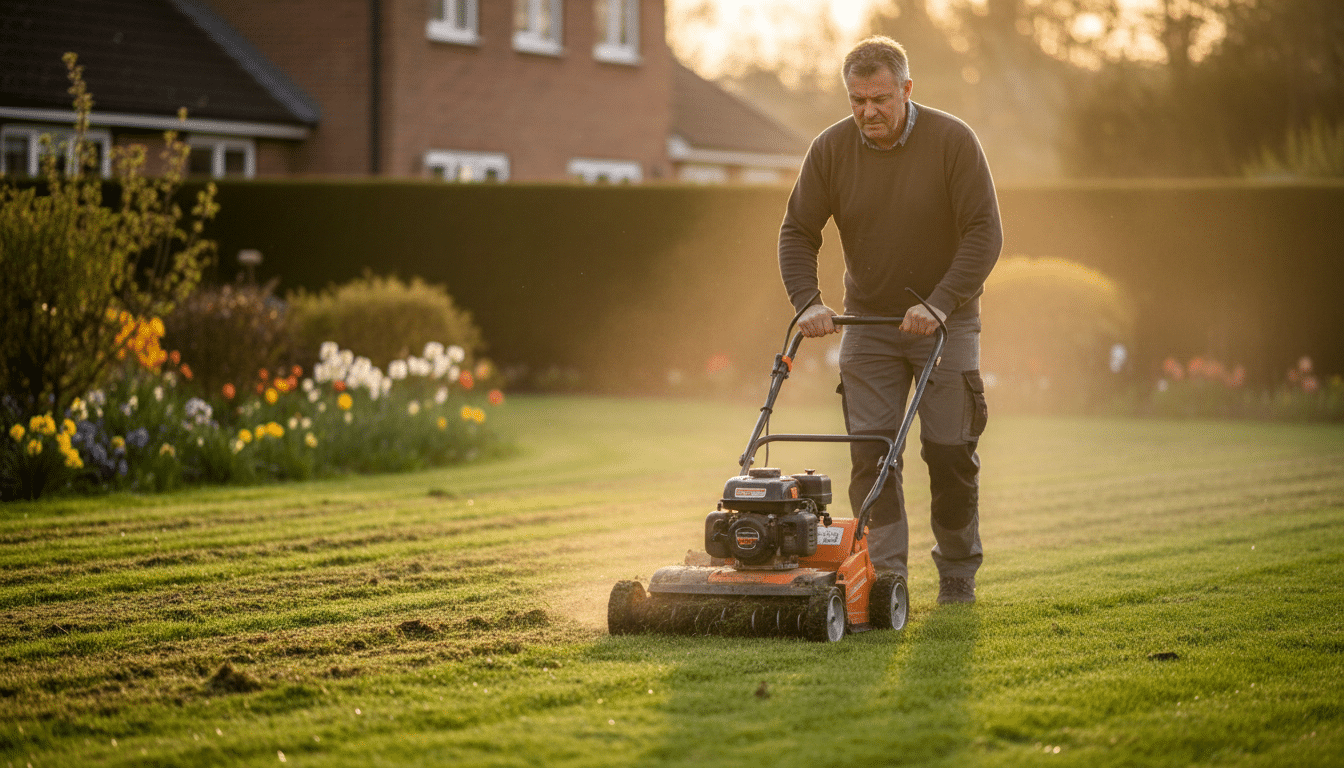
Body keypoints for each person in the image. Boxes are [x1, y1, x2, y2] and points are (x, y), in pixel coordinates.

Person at [778, 35, 1001, 605]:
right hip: (868, 327)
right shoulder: (830, 150)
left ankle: (956, 573)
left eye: (879, 99)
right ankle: (886, 576)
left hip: (945, 324)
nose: (868, 113)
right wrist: (808, 302)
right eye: (857, 101)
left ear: (906, 89)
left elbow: (984, 234)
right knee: (871, 451)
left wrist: (939, 302)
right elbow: (798, 232)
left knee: (949, 451)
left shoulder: (953, 142)